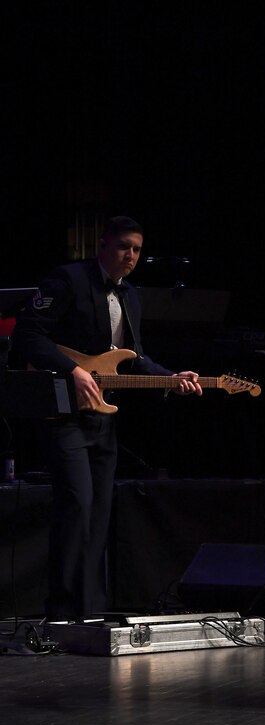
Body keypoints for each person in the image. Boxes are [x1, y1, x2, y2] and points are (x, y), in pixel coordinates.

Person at [11, 215, 202, 623]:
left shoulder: (130, 295)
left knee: (99, 513)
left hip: (102, 418)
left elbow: (134, 357)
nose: (130, 255)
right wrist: (72, 370)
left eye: (137, 249)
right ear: (102, 245)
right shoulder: (68, 280)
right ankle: (60, 613)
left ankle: (90, 612)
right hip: (63, 413)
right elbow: (27, 334)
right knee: (77, 505)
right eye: (123, 247)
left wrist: (171, 379)